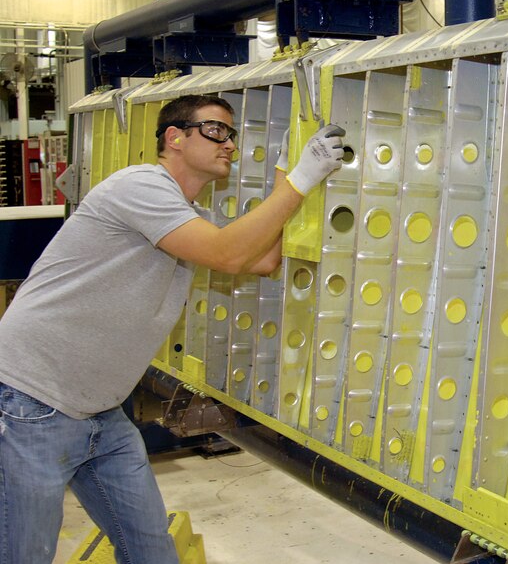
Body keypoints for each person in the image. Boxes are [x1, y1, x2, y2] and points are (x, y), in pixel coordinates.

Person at [0, 94, 345, 563]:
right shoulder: (140, 186)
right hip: (32, 402)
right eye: (215, 130)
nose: (228, 143)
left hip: (99, 410)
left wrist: (289, 171)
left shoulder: (186, 217)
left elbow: (261, 259)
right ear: (174, 138)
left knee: (151, 553)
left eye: (231, 134)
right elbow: (228, 254)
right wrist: (302, 180)